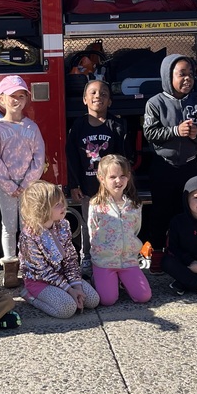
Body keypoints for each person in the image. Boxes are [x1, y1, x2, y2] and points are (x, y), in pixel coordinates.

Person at [142, 54, 197, 271]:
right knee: (161, 212)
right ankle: (158, 254)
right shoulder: (155, 103)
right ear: (167, 76)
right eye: (182, 74)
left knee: (188, 212)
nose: (187, 79)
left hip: (190, 167)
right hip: (163, 166)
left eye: (191, 74)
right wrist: (175, 131)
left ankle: (185, 253)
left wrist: (195, 134)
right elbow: (149, 132)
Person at [0, 75, 46, 288]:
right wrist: (10, 185)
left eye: (21, 96)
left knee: (29, 226)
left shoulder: (31, 128)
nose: (17, 100)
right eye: (12, 96)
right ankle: (10, 268)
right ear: (2, 99)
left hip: (28, 189)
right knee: (9, 226)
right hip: (7, 189)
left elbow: (39, 157)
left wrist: (28, 183)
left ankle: (30, 266)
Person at [66, 78, 127, 275]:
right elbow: (72, 157)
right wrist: (74, 184)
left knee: (113, 222)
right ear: (84, 99)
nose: (97, 96)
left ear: (110, 101)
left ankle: (112, 257)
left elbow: (124, 157)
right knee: (88, 224)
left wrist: (121, 183)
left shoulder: (116, 125)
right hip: (87, 186)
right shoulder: (78, 126)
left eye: (103, 93)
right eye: (92, 93)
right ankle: (87, 258)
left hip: (111, 188)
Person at [18, 180, 101, 318]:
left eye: (62, 201)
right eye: (57, 204)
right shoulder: (29, 236)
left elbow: (70, 258)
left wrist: (77, 286)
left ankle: (70, 292)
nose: (63, 206)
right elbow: (42, 271)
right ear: (42, 208)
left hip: (63, 275)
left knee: (93, 300)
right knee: (68, 309)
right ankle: (31, 297)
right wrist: (69, 290)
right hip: (40, 281)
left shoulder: (63, 225)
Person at [88, 154, 152, 306]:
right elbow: (92, 231)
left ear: (128, 177)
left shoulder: (134, 205)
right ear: (102, 178)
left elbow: (135, 230)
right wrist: (101, 253)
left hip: (128, 261)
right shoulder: (96, 205)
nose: (118, 181)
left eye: (123, 176)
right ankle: (98, 277)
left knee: (144, 297)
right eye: (113, 177)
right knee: (107, 300)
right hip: (105, 261)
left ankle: (123, 280)